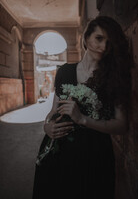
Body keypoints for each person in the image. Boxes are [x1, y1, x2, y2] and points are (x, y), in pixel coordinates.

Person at [32, 16, 132, 199]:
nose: (103, 47)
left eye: (109, 43)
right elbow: (53, 110)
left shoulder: (114, 77)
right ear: (86, 38)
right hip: (59, 151)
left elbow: (122, 125)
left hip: (94, 155)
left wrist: (83, 119)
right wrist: (47, 127)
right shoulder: (64, 71)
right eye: (99, 38)